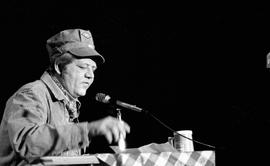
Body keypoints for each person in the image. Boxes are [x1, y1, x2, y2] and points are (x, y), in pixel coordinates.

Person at [0, 28, 130, 165]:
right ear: (59, 67)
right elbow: (27, 144)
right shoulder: (32, 93)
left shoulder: (69, 102)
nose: (90, 75)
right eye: (82, 67)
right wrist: (88, 129)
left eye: (93, 69)